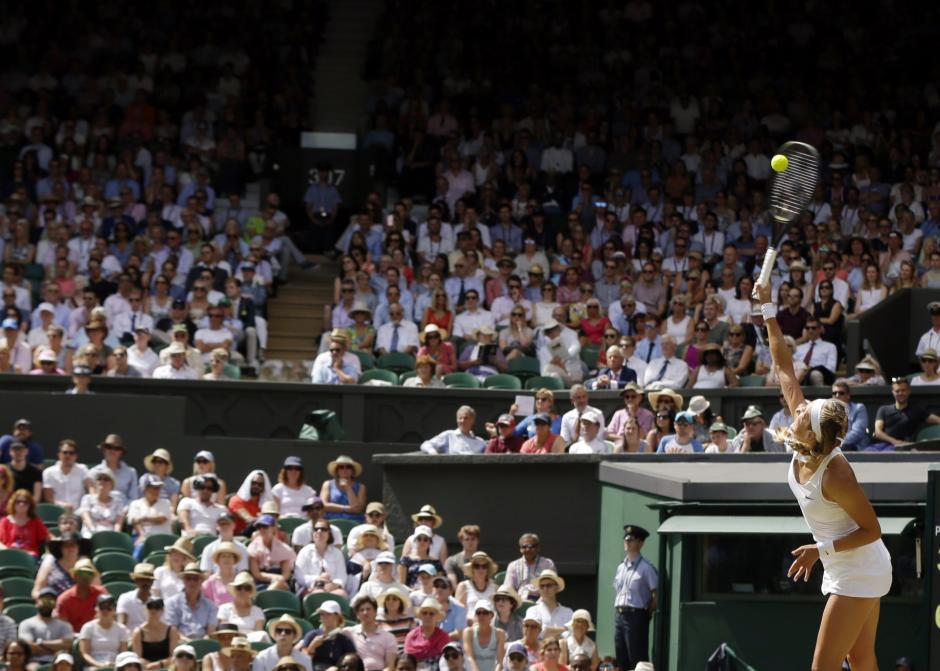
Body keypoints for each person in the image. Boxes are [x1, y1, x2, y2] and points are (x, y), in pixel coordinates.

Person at [757, 279, 893, 670]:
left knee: (824, 666)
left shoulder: (836, 474)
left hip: (859, 567)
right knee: (861, 658)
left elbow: (872, 530)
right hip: (847, 565)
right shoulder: (806, 437)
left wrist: (820, 551)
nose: (797, 409)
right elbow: (783, 366)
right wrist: (767, 308)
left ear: (813, 434)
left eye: (803, 414)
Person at [612, 525, 657, 671]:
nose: (627, 541)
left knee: (637, 660)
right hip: (620, 616)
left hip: (636, 615)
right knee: (621, 658)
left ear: (640, 543)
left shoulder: (646, 567)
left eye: (631, 539)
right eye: (626, 539)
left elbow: (656, 594)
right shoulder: (621, 567)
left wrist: (646, 614)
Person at [868, 377, 940, 450]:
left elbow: (937, 419)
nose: (900, 393)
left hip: (901, 447)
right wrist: (894, 441)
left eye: (903, 390)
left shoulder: (917, 410)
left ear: (909, 391)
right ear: (893, 392)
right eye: (897, 391)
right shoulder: (883, 409)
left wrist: (898, 443)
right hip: (879, 445)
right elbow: (878, 432)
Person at [18, 588, 74, 665]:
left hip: (58, 664)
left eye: (51, 601)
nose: (47, 604)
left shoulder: (65, 625)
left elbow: (67, 645)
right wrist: (55, 650)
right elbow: (28, 647)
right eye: (44, 600)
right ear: (37, 602)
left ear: (55, 605)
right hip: (34, 662)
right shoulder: (26, 623)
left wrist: (40, 643)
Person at [163, 563, 218, 639]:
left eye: (195, 579)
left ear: (201, 581)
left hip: (203, 643)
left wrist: (202, 642)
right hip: (180, 643)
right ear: (183, 580)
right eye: (188, 578)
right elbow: (173, 630)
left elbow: (211, 631)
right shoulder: (172, 603)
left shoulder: (210, 605)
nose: (192, 582)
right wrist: (188, 642)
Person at [294, 519, 346, 596]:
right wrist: (317, 579)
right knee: (319, 593)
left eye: (323, 529)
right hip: (309, 588)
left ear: (329, 533)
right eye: (316, 529)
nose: (319, 531)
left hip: (332, 587)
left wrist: (335, 585)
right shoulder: (305, 551)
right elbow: (299, 576)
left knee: (341, 594)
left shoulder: (337, 553)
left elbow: (342, 575)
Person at [78, 593, 130, 668]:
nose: (105, 611)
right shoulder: (87, 627)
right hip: (93, 666)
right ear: (96, 609)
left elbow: (123, 654)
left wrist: (115, 666)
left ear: (114, 610)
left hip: (115, 666)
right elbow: (85, 653)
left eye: (109, 608)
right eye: (102, 607)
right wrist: (100, 666)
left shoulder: (122, 629)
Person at [301, 600, 357, 671]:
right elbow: (302, 662)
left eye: (328, 614)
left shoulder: (344, 640)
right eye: (322, 614)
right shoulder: (312, 635)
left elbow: (352, 662)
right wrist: (312, 646)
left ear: (337, 616)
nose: (324, 617)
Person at [347, 595, 398, 671]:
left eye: (368, 609)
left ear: (375, 612)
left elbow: (389, 666)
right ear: (357, 615)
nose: (365, 612)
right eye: (361, 610)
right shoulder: (349, 632)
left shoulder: (388, 637)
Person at [502, 534, 555, 603]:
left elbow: (551, 587)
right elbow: (508, 588)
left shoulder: (547, 564)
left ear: (538, 548)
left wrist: (538, 604)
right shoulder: (513, 565)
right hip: (519, 602)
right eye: (524, 547)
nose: (528, 549)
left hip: (542, 601)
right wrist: (516, 602)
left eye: (531, 546)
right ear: (520, 549)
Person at [247, 514, 295, 591]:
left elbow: (286, 575)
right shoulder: (253, 548)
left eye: (265, 526)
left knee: (280, 584)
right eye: (259, 527)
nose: (262, 529)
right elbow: (256, 574)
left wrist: (278, 580)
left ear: (274, 528)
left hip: (281, 584)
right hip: (260, 584)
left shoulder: (284, 549)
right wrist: (275, 579)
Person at [130, 597, 179, 670]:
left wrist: (158, 665)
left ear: (162, 611)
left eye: (157, 607)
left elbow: (174, 656)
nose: (153, 610)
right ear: (145, 610)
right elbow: (137, 657)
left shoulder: (171, 631)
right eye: (150, 607)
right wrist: (150, 666)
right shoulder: (138, 632)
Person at [42, 439, 91, 510]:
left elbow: (91, 488)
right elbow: (49, 498)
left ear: (76, 456)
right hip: (58, 511)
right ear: (59, 454)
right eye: (65, 452)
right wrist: (63, 505)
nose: (68, 455)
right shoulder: (48, 472)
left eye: (71, 453)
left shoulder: (83, 469)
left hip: (80, 512)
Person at [523, 571, 572, 638]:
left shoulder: (568, 612)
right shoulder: (532, 610)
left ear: (556, 588)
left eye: (549, 585)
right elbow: (534, 633)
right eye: (542, 586)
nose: (545, 589)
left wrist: (547, 631)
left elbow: (572, 635)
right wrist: (565, 629)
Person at [0, 489, 49, 556]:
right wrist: (6, 550)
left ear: (30, 505)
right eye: (18, 501)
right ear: (13, 503)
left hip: (29, 557)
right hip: (9, 555)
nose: (21, 504)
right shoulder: (5, 522)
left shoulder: (36, 522)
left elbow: (47, 538)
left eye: (25, 502)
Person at [421, 406, 486, 454]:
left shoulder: (480, 441)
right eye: (460, 418)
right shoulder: (449, 435)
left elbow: (489, 453)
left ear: (473, 420)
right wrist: (433, 453)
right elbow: (426, 444)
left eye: (466, 418)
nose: (462, 421)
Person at [321, 455, 367, 523]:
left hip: (354, 522)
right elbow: (323, 505)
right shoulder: (327, 484)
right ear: (337, 471)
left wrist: (348, 488)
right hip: (331, 521)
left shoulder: (361, 487)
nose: (345, 470)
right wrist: (347, 508)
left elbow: (358, 509)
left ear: (352, 471)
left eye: (348, 467)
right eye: (341, 467)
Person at [793, 318, 838, 386]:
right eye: (808, 328)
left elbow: (831, 368)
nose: (810, 330)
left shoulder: (830, 347)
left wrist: (812, 369)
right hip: (800, 374)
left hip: (819, 374)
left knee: (815, 374)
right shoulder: (799, 348)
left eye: (813, 328)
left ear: (820, 329)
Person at [831, 380, 870, 451]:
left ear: (848, 395)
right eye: (834, 393)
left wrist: (836, 443)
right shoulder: (827, 411)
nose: (837, 395)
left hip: (854, 447)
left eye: (841, 393)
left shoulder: (858, 408)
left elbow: (857, 433)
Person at [117, 564, 157, 631]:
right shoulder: (125, 598)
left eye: (148, 580)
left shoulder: (157, 601)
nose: (145, 583)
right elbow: (121, 625)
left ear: (152, 582)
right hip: (130, 636)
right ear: (136, 581)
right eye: (142, 580)